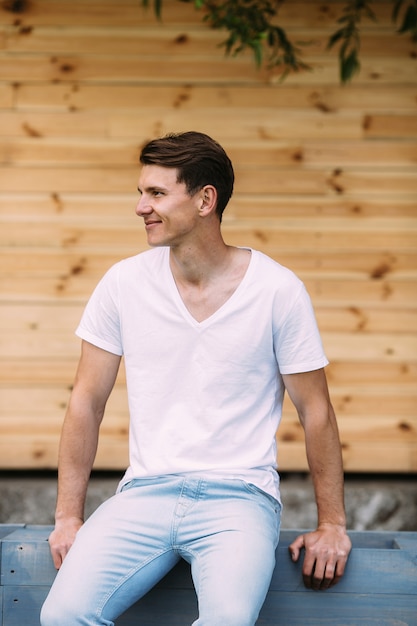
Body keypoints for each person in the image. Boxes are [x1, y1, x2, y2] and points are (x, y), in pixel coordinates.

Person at [40, 131, 351, 626]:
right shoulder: (123, 284)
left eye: (157, 193)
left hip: (240, 499)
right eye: (141, 192)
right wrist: (67, 516)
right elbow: (86, 401)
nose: (141, 206)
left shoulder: (278, 291)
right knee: (63, 616)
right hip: (144, 495)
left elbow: (316, 412)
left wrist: (332, 524)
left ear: (206, 199)